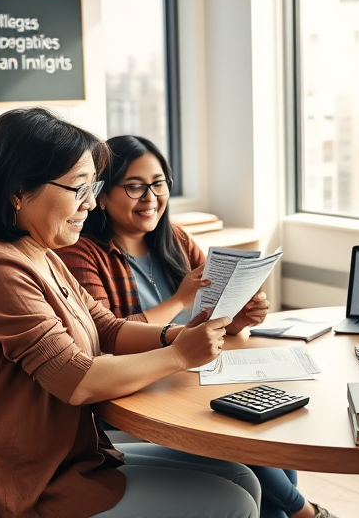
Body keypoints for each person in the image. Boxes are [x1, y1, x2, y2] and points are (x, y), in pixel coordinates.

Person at [0, 107, 260, 518]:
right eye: (79, 188)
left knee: (241, 478)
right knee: (232, 502)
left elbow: (105, 327)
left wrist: (176, 336)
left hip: (69, 455)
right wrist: (179, 355)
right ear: (18, 190)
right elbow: (78, 381)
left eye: (95, 187)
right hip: (28, 482)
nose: (91, 204)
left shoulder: (38, 252)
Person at [55, 135, 335, 518]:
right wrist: (178, 302)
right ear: (102, 196)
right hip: (137, 391)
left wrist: (238, 317)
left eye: (159, 183)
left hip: (191, 375)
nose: (150, 197)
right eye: (135, 186)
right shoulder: (80, 253)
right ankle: (306, 512)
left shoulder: (175, 240)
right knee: (241, 437)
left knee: (266, 425)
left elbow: (210, 320)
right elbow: (106, 339)